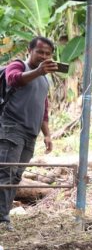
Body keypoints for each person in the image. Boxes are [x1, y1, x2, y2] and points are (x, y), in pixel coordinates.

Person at [0, 37, 56, 231]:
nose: (43, 56)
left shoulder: (44, 79)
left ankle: (3, 216)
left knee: (15, 176)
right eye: (40, 52)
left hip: (30, 134)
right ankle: (2, 220)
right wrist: (38, 71)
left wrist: (47, 134)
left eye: (48, 54)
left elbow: (43, 108)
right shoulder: (18, 66)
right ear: (29, 51)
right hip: (11, 128)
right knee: (5, 174)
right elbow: (13, 79)